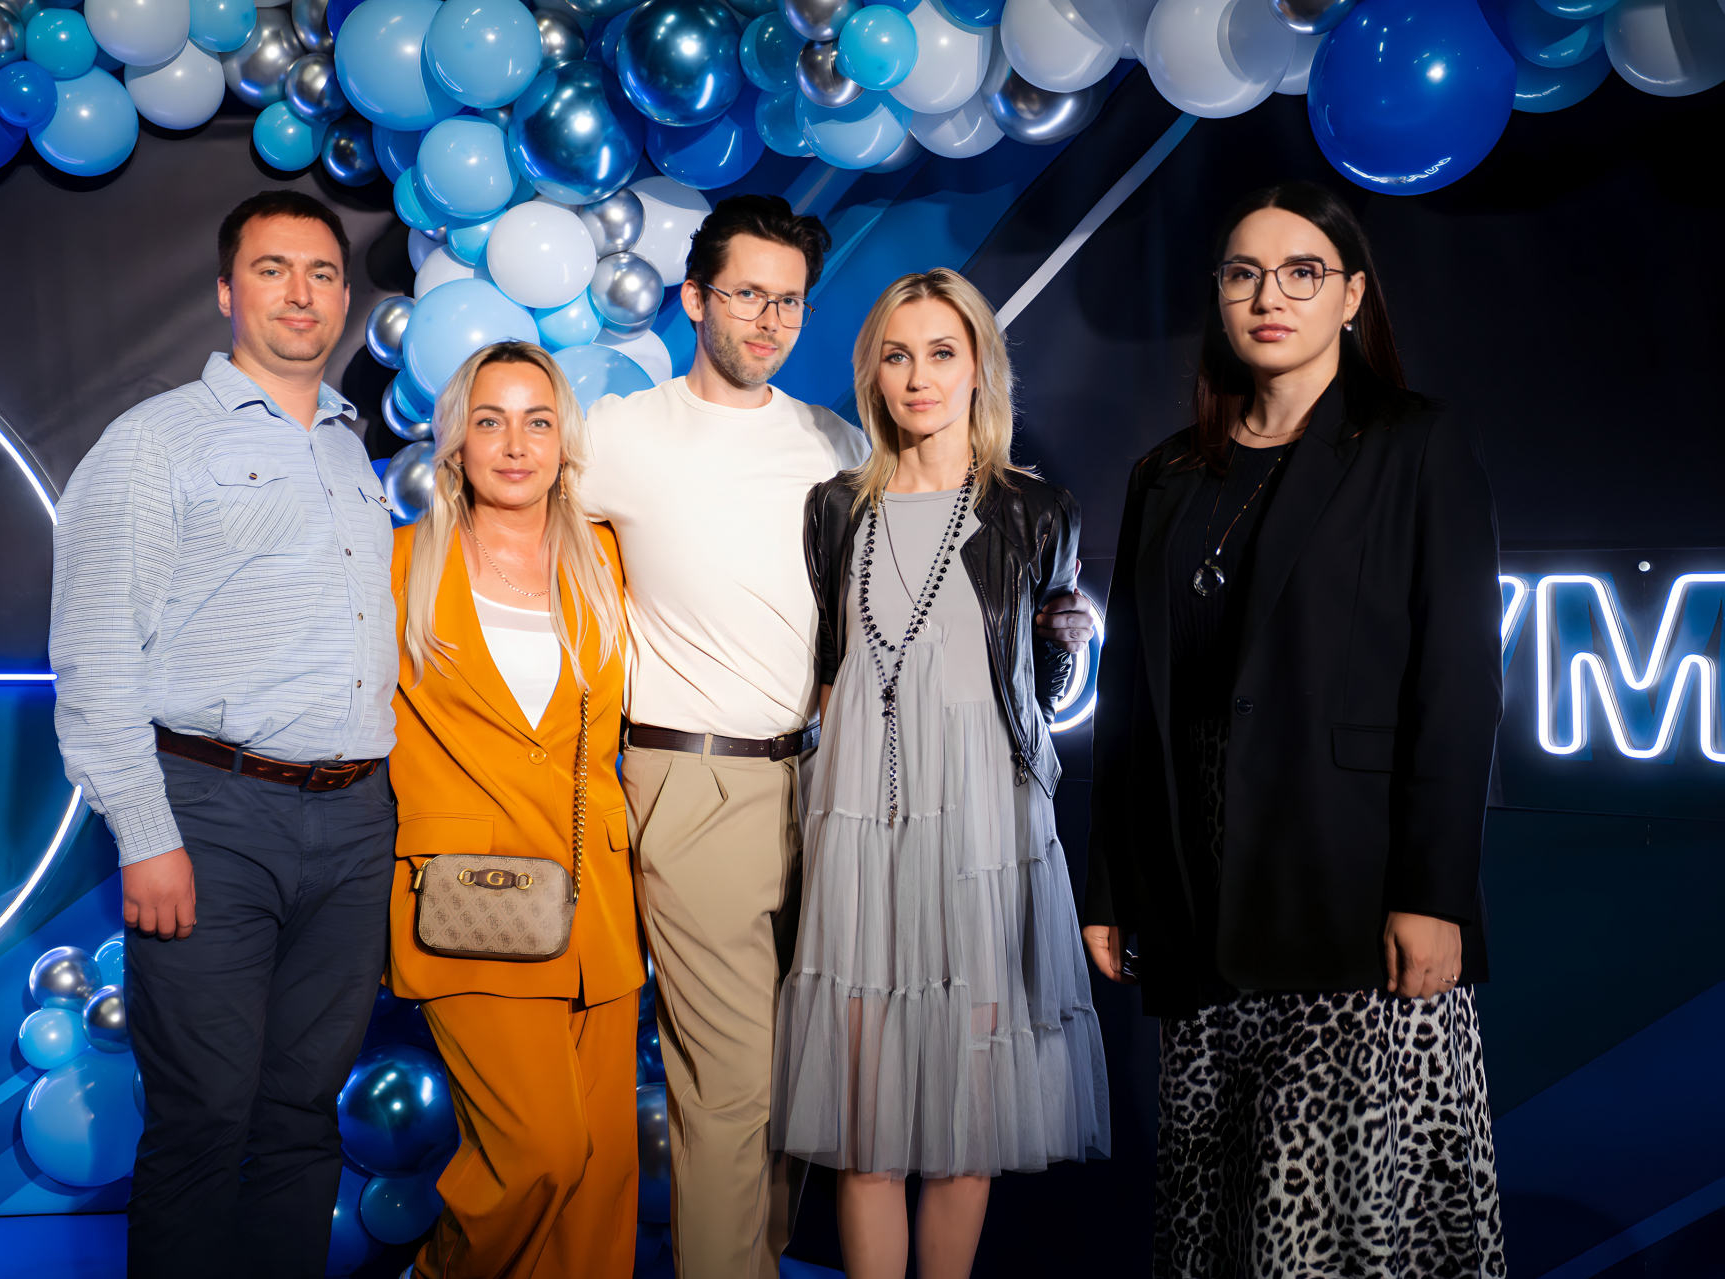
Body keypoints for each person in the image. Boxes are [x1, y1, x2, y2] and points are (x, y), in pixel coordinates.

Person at [1082, 181, 1507, 1276]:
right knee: (1218, 1229)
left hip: (1349, 902)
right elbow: (1128, 699)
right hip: (1199, 901)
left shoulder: (1415, 444)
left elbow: (1458, 682)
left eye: (1302, 272)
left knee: (1337, 1237)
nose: (1270, 296)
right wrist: (1112, 885)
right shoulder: (1167, 475)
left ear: (1352, 295)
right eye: (1244, 273)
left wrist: (1435, 893)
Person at [50, 190, 396, 1279]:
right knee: (204, 1118)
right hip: (212, 815)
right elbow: (94, 650)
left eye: (323, 272)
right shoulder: (154, 442)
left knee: (302, 1113)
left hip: (355, 821)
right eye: (271, 269)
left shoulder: (348, 450)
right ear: (224, 292)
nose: (301, 293)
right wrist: (145, 832)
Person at [779, 268, 1110, 1279]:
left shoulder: (1036, 509)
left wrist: (1065, 645)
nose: (919, 377)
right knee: (865, 1119)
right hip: (860, 827)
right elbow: (830, 672)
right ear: (873, 375)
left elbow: (1040, 690)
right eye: (897, 355)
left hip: (982, 833)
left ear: (978, 369)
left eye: (941, 353)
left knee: (971, 1113)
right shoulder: (835, 508)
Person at [578, 193, 867, 1279]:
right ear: (695, 298)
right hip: (690, 777)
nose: (769, 320)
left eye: (789, 301)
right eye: (747, 294)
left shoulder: (832, 442)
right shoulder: (621, 434)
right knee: (731, 1080)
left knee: (794, 1083)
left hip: (817, 781)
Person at [384, 341, 641, 1279]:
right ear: (455, 441)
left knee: (600, 1178)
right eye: (489, 421)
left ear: (564, 441)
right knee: (539, 1152)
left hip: (596, 900)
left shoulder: (607, 560)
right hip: (470, 900)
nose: (515, 443)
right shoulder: (400, 565)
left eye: (538, 421)